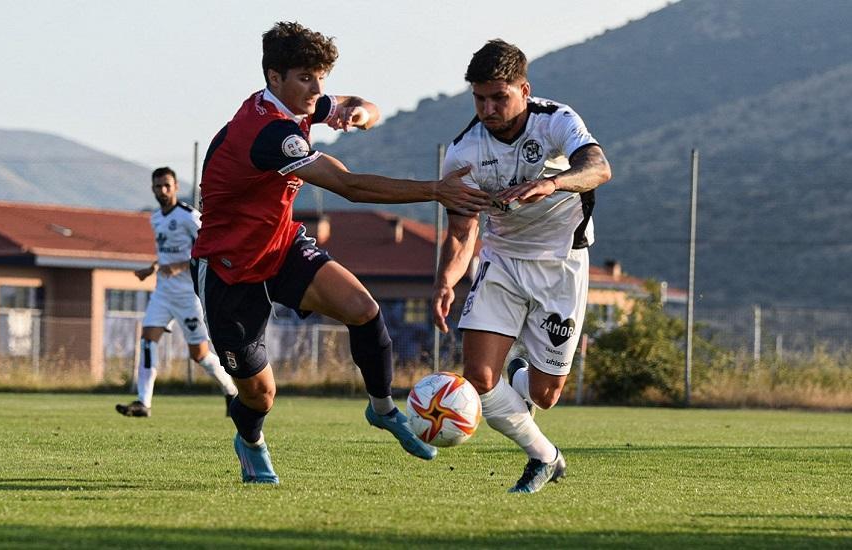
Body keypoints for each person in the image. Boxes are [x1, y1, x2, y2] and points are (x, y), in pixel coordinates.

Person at [191, 22, 490, 484]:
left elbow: (361, 106)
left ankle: (383, 409)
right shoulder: (270, 134)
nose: (317, 89)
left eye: (321, 76)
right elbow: (348, 186)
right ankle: (250, 441)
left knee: (365, 310)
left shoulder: (298, 104)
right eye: (305, 78)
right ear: (275, 78)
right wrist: (436, 190)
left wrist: (360, 115)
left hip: (282, 245)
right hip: (230, 269)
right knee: (260, 397)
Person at [432, 39, 612, 493]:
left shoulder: (557, 120)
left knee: (545, 395)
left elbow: (598, 167)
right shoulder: (463, 153)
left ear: (524, 90)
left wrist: (551, 184)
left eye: (500, 96)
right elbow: (460, 229)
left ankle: (520, 374)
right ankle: (544, 457)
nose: (489, 108)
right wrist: (446, 281)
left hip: (561, 263)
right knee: (478, 377)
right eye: (480, 98)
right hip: (502, 261)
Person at [116, 167, 239, 418]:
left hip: (188, 295)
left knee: (200, 356)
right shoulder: (155, 219)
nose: (162, 190)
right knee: (147, 341)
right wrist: (153, 268)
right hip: (162, 294)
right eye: (157, 186)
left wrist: (181, 266)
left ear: (175, 187)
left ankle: (230, 390)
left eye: (166, 185)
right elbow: (166, 255)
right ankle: (143, 402)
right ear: (152, 189)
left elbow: (209, 249)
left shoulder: (189, 217)